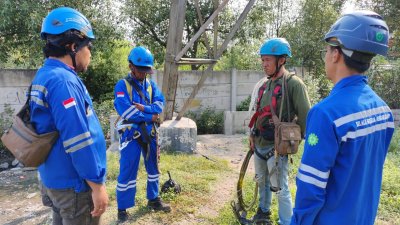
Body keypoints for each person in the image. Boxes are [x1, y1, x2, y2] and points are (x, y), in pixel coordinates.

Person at [291, 10, 394, 225]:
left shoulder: (325, 114)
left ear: (336, 54)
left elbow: (311, 187)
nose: (326, 56)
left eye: (327, 50)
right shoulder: (383, 111)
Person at [31, 7, 108, 225]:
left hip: (54, 177)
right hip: (74, 185)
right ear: (73, 46)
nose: (90, 53)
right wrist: (97, 185)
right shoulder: (63, 81)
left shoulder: (45, 74)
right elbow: (78, 140)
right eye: (88, 47)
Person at [248, 38, 311, 225]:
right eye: (262, 60)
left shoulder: (293, 84)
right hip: (260, 143)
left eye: (268, 60)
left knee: (281, 188)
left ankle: (286, 222)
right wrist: (252, 134)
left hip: (278, 147)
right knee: (262, 182)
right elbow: (258, 112)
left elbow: (306, 115)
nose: (264, 64)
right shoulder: (265, 85)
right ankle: (263, 213)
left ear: (281, 60)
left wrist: (295, 140)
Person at [113, 46, 170, 222]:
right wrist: (150, 116)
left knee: (153, 168)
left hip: (150, 134)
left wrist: (145, 109)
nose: (143, 74)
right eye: (140, 70)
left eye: (146, 70)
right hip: (131, 135)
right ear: (131, 66)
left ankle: (153, 199)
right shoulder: (122, 86)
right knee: (127, 170)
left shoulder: (151, 85)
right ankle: (122, 209)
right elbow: (126, 112)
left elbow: (160, 105)